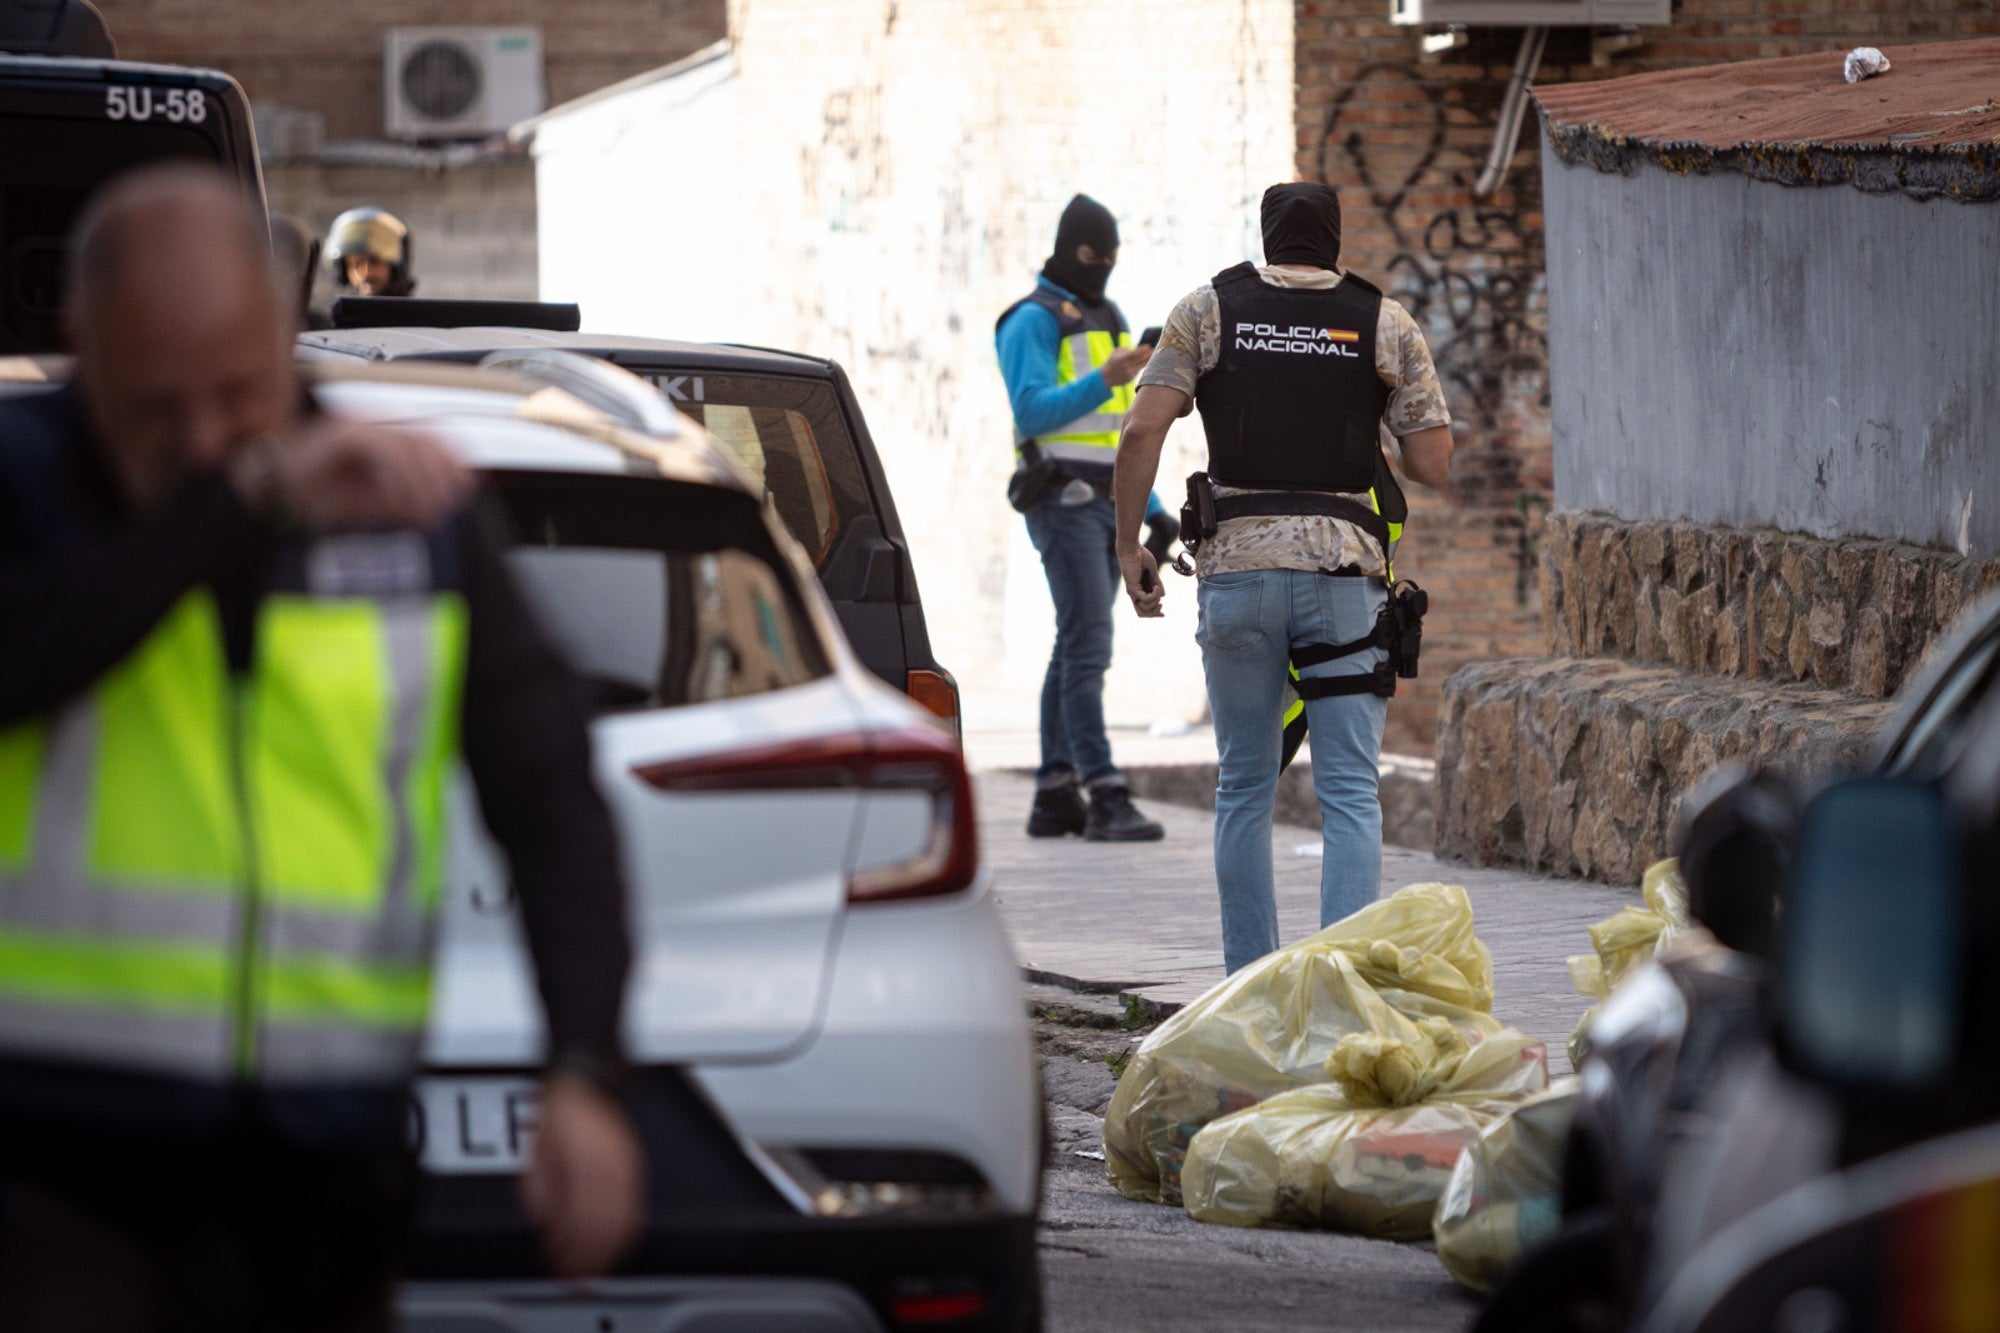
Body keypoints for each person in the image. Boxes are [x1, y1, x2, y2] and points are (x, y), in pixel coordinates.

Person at [0, 165, 642, 1330]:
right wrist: (245, 494)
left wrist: (585, 1072)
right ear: (80, 343)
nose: (202, 439)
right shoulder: (19, 484)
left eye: (239, 395)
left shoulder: (409, 519)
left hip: (325, 1192)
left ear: (286, 334)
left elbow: (548, 792)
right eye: (158, 406)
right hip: (52, 1182)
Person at [1112, 182, 1455, 973]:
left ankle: (1251, 990)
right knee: (1348, 792)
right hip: (1344, 581)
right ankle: (1340, 992)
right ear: (1335, 238)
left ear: (1268, 238)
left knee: (1242, 786)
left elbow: (1140, 428)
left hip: (1238, 578)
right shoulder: (1383, 320)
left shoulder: (1209, 309)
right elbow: (1432, 464)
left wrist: (1129, 545)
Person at [995, 193, 1168, 842]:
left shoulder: (1108, 313)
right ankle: (1104, 791)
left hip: (1107, 503)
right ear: (1070, 250)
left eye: (1112, 257)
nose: (1103, 267)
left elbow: (1119, 433)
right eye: (1094, 256)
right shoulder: (1030, 321)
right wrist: (1108, 373)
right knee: (1090, 642)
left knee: (1073, 645)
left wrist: (1151, 508)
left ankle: (1054, 791)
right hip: (1061, 501)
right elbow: (1034, 411)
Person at [325, 204, 417, 297]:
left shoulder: (419, 312)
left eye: (374, 262)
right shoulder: (341, 310)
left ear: (395, 267)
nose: (366, 273)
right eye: (356, 264)